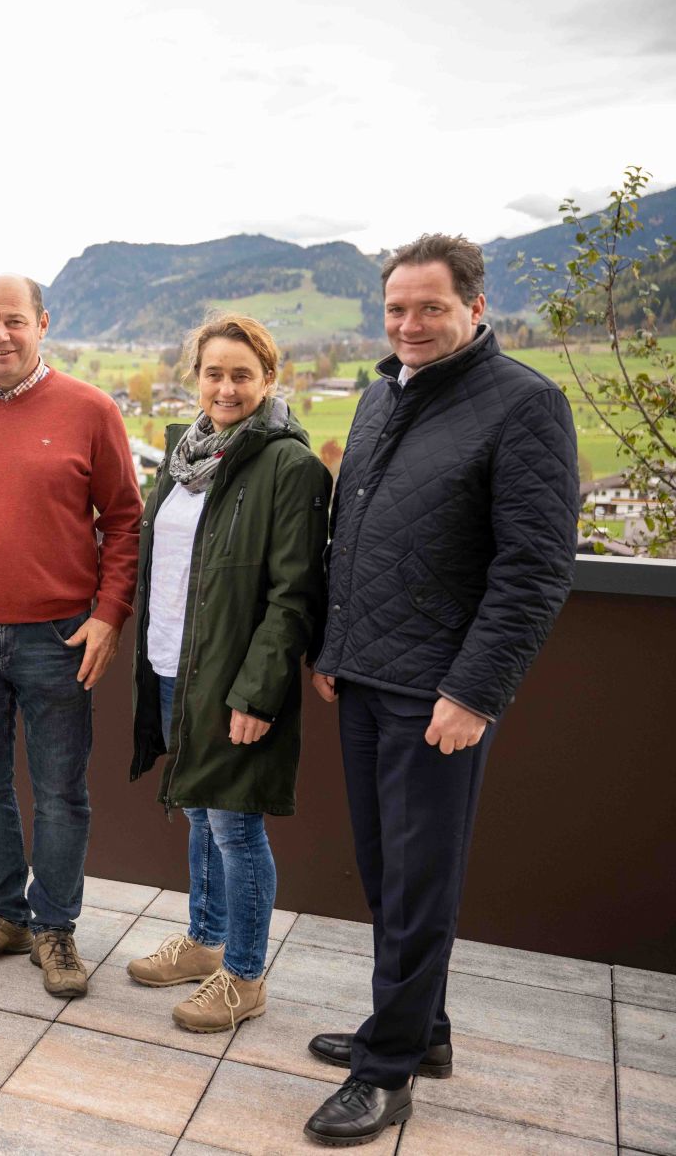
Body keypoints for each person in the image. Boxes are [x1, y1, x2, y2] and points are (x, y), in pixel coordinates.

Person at [301, 235, 579, 1146]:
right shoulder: (383, 393)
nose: (410, 324)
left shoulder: (526, 404)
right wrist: (333, 647)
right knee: (388, 873)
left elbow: (534, 570)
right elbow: (356, 527)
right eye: (396, 309)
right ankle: (422, 1032)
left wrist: (474, 691)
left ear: (474, 309)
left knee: (420, 882)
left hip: (438, 696)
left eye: (429, 308)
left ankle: (386, 1075)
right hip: (367, 677)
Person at [0, 273, 143, 999]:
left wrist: (109, 613)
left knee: (60, 792)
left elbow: (124, 518)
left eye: (15, 320)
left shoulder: (91, 409)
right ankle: (5, 911)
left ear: (43, 323)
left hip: (60, 635)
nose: (0, 335)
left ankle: (55, 926)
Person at [123, 314, 331, 1032]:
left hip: (235, 678)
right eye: (214, 372)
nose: (227, 386)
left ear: (269, 379)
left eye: (243, 373)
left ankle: (244, 973)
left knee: (236, 828)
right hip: (174, 665)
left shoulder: (290, 466)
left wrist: (258, 692)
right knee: (200, 810)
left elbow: (292, 594)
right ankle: (206, 940)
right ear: (197, 376)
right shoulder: (183, 456)